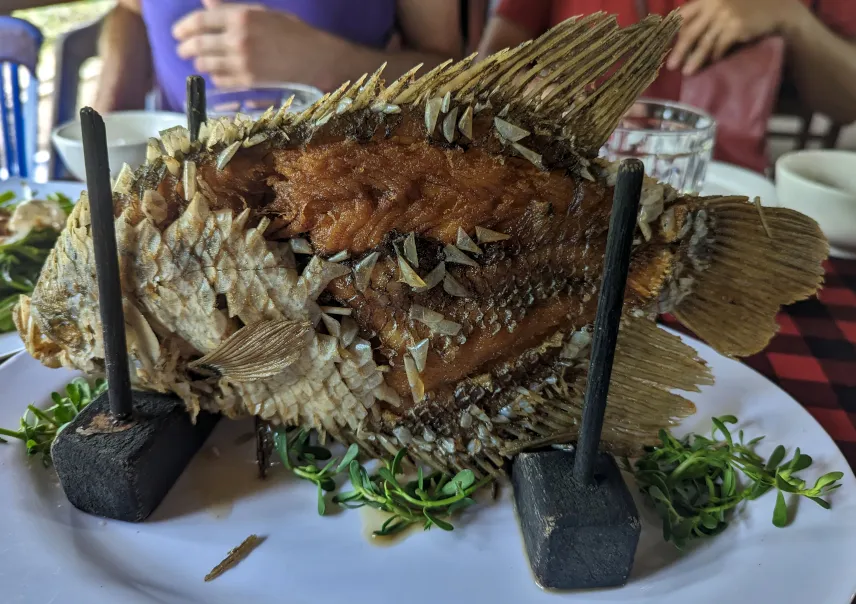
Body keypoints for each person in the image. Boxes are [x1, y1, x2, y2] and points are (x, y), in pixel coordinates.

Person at [478, 0, 856, 139]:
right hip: (574, 185)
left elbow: (848, 103)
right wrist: (533, 87)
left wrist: (792, 17)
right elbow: (489, 64)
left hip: (728, 204)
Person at [93, 0, 462, 114]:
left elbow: (453, 72)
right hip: (173, 188)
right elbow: (130, 11)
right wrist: (114, 96)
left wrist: (334, 66)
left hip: (336, 193)